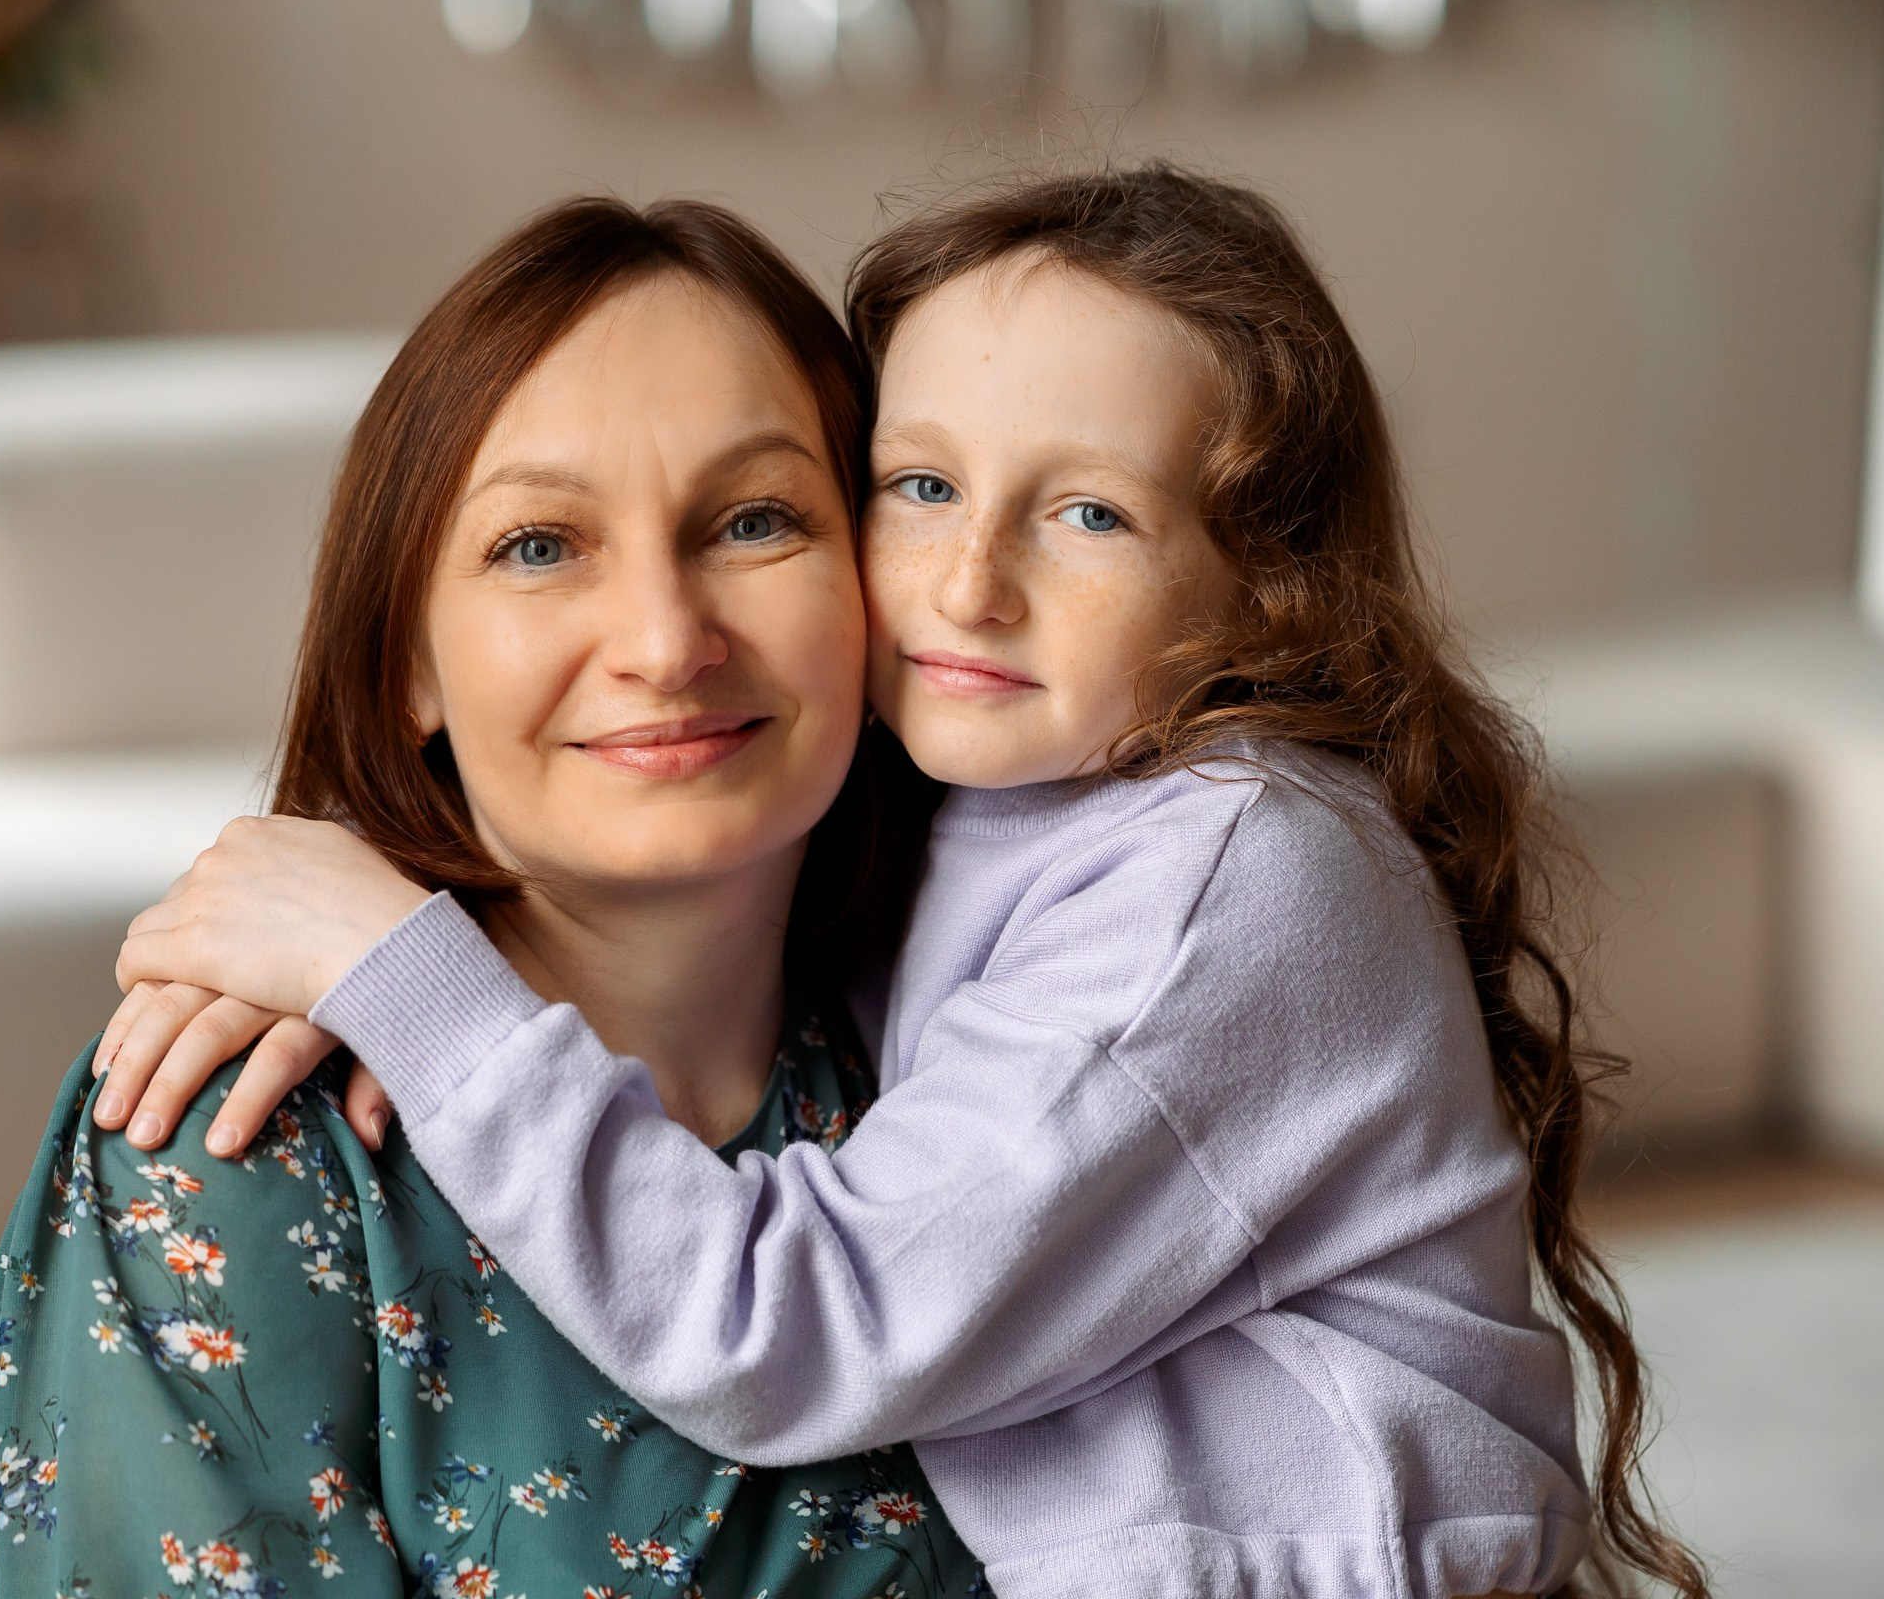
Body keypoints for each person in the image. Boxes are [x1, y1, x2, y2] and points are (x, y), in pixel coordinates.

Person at [97, 167, 1709, 1599]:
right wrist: (335, 938)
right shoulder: (972, 808)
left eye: (1089, 512)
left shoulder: (1228, 872)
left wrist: (400, 969)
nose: (968, 583)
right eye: (920, 486)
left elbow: (800, 1323)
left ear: (1268, 597)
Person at [0, 196, 989, 1599]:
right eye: (539, 545)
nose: (663, 640)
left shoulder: (990, 1067)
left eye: (755, 520)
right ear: (410, 664)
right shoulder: (240, 1140)